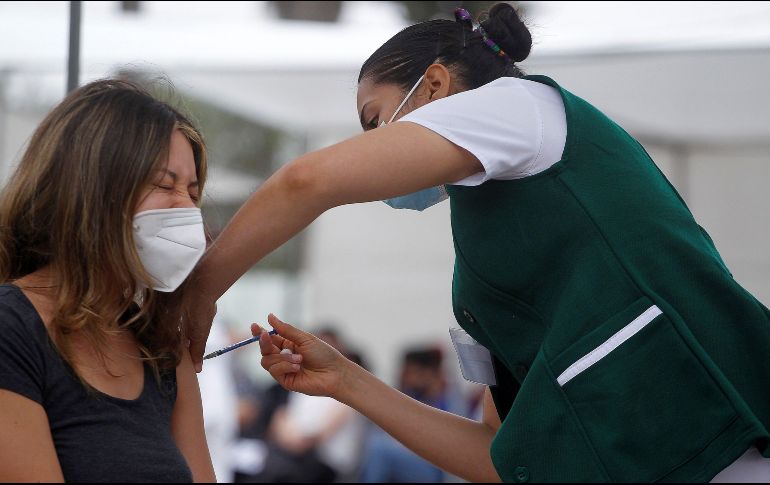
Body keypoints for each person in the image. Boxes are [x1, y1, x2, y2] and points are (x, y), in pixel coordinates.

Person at [187, 4, 770, 482]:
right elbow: (501, 455)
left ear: (436, 86)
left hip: (726, 451)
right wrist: (346, 381)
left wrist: (195, 297)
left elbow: (305, 181)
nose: (369, 145)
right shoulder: (477, 283)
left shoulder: (522, 110)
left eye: (374, 120)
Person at [0, 79, 216, 482]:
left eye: (192, 192)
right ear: (92, 188)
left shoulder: (160, 346)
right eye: (165, 185)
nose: (186, 209)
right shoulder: (12, 330)